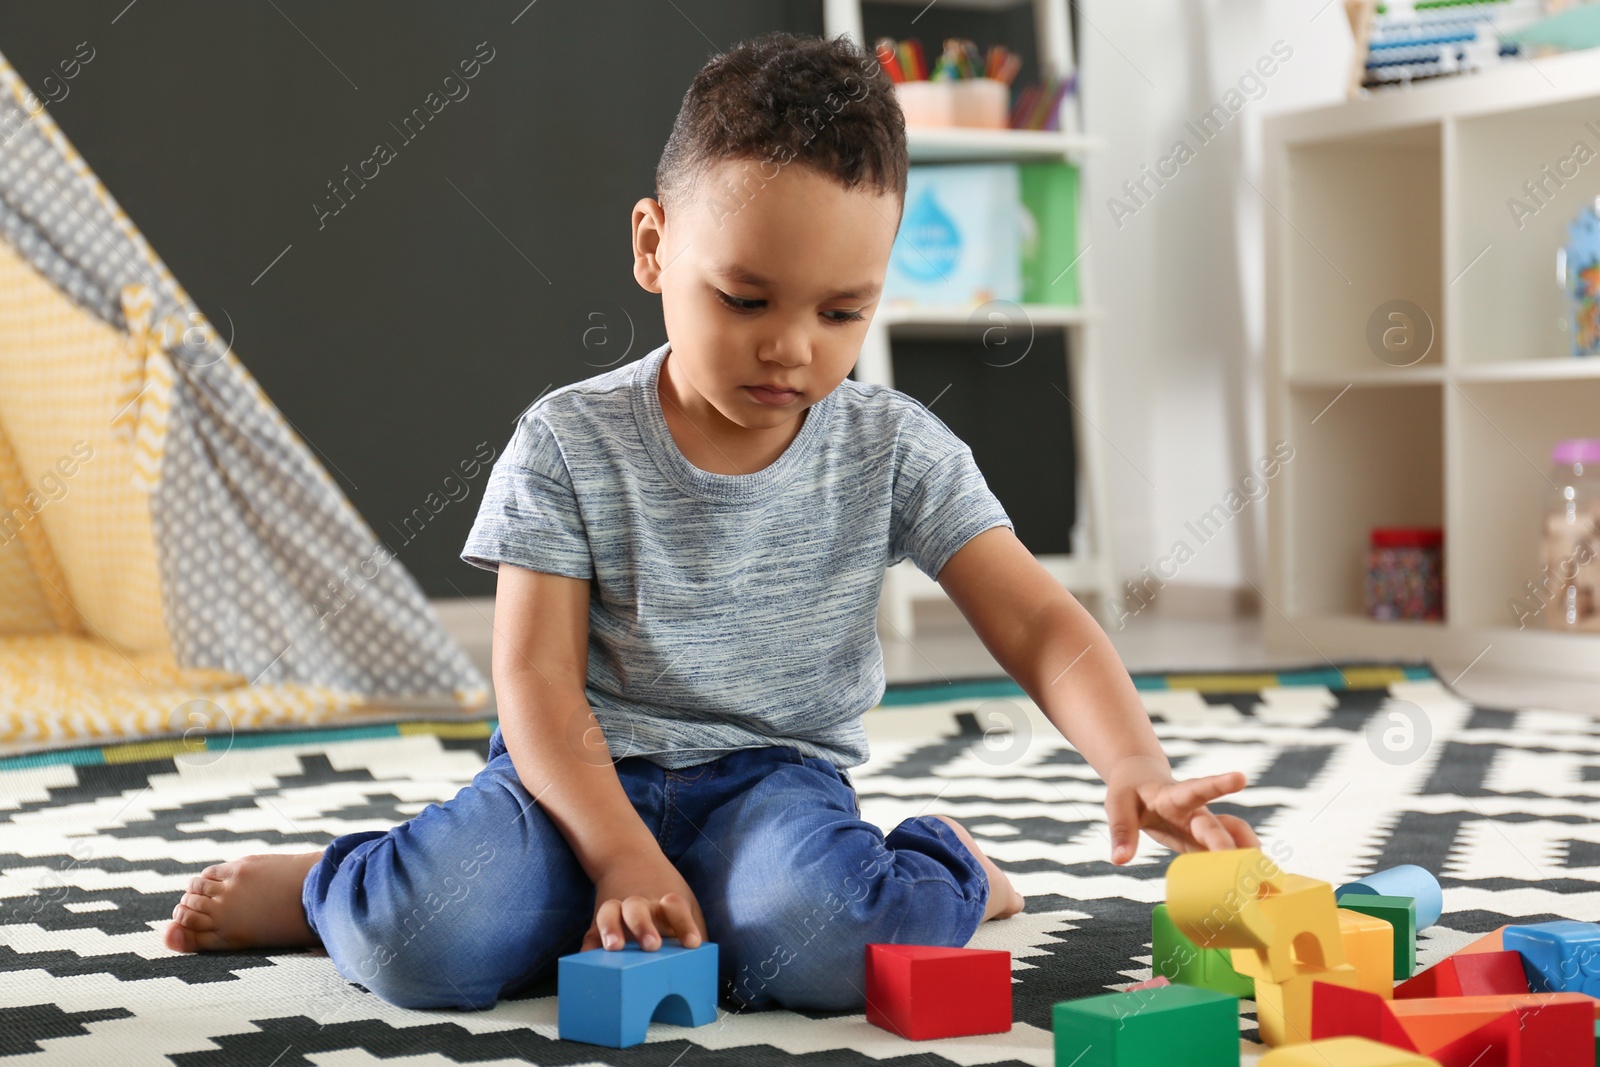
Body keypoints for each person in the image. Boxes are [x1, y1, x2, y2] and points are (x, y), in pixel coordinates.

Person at [164, 29, 1258, 1013]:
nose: (793, 347)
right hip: (572, 784)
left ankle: (949, 860)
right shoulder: (567, 441)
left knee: (831, 949)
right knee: (423, 941)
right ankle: (325, 882)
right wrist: (621, 853)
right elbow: (535, 688)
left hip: (771, 786)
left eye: (843, 312)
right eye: (747, 299)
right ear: (652, 247)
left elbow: (1038, 624)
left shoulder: (891, 447)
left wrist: (1132, 757)